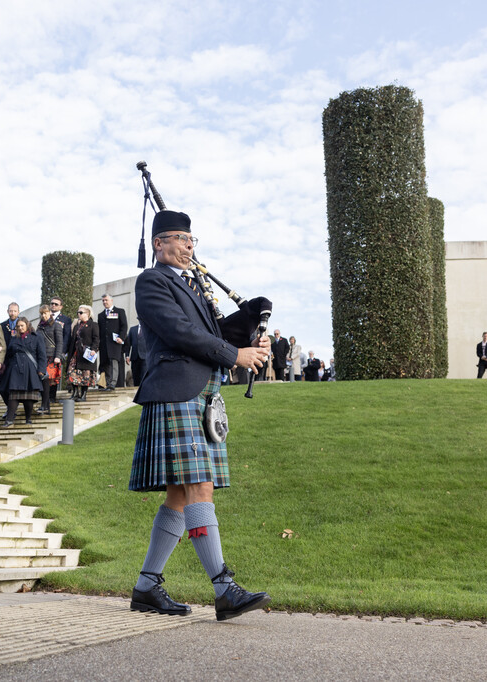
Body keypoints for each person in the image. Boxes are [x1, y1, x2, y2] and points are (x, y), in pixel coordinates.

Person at [128, 209, 272, 621]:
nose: (190, 246)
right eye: (180, 239)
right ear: (159, 244)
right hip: (175, 390)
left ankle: (146, 585)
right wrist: (236, 355)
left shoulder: (190, 285)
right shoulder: (152, 281)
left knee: (180, 493)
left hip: (199, 392)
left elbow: (213, 335)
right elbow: (181, 333)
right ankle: (224, 588)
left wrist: (249, 320)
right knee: (199, 486)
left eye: (192, 240)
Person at [0, 317, 47, 427]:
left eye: (22, 326)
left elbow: (42, 355)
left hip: (30, 369)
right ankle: (9, 420)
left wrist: (42, 370)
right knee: (13, 395)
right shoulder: (14, 338)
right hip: (15, 369)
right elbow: (8, 354)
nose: (20, 328)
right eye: (18, 326)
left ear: (27, 325)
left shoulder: (37, 337)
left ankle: (28, 418)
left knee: (29, 396)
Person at [67, 304, 99, 402]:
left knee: (86, 374)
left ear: (88, 314)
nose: (79, 314)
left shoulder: (93, 325)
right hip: (76, 353)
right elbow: (73, 339)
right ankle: (75, 393)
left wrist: (94, 349)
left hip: (87, 353)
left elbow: (96, 338)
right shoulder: (77, 326)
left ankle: (83, 395)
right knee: (71, 372)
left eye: (81, 312)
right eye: (78, 312)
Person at [97, 294, 128, 392]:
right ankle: (104, 383)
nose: (104, 302)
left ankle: (112, 383)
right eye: (103, 300)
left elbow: (124, 326)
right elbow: (100, 331)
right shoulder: (101, 315)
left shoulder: (120, 311)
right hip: (103, 344)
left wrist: (121, 337)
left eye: (106, 300)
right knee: (104, 364)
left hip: (114, 343)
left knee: (114, 363)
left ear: (111, 300)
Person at [36, 304, 63, 414]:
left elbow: (60, 342)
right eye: (42, 313)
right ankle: (45, 406)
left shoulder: (56, 325)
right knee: (43, 382)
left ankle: (45, 405)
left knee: (48, 381)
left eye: (45, 313)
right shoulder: (39, 327)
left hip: (52, 357)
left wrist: (58, 356)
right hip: (41, 358)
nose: (44, 315)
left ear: (49, 313)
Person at [124, 319, 147, 387]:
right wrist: (127, 356)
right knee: (135, 377)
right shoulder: (132, 329)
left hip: (145, 357)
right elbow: (128, 344)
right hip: (135, 357)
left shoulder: (149, 329)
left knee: (144, 376)